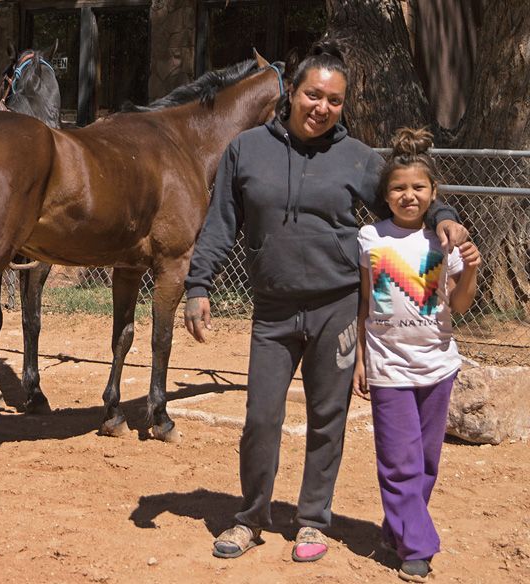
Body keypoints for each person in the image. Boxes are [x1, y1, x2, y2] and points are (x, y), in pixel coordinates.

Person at [182, 40, 469, 563]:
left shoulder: (357, 158)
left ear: (343, 105)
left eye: (334, 100)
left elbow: (409, 199)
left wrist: (444, 212)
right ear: (291, 92)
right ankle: (251, 516)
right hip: (272, 309)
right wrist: (199, 285)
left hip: (336, 307)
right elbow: (222, 222)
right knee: (261, 418)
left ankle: (314, 519)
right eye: (313, 94)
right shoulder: (246, 149)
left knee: (327, 417)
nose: (322, 107)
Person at [352, 128, 480, 583]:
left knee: (426, 462)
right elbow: (366, 302)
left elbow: (461, 305)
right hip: (389, 366)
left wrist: (472, 270)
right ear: (385, 195)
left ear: (433, 193)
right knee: (398, 460)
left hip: (439, 365)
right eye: (399, 188)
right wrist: (362, 358)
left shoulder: (444, 242)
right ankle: (418, 546)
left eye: (418, 188)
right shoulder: (371, 238)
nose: (409, 196)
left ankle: (398, 528)